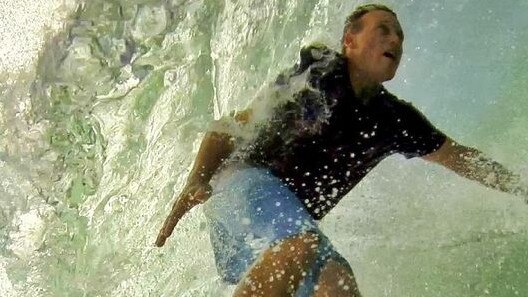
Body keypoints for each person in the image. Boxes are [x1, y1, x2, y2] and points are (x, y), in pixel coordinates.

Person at [155, 4, 527, 297]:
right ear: (349, 41)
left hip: (267, 242)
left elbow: (458, 157)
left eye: (399, 35)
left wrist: (522, 188)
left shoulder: (395, 120)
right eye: (384, 29)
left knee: (338, 284)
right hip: (239, 190)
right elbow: (229, 127)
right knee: (301, 244)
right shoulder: (318, 73)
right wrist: (195, 180)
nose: (395, 40)